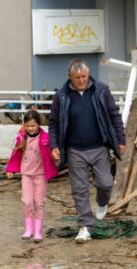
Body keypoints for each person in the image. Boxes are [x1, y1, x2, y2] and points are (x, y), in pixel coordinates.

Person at [49, 60, 126, 243]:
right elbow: (53, 123)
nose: (81, 80)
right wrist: (54, 145)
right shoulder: (62, 96)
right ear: (70, 78)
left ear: (88, 74)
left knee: (105, 183)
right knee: (79, 190)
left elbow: (114, 115)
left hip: (99, 147)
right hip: (75, 149)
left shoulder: (101, 90)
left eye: (84, 76)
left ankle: (101, 202)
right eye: (77, 78)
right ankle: (85, 227)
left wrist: (121, 139)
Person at [5, 109, 59, 243]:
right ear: (24, 125)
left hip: (40, 175)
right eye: (28, 126)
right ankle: (28, 230)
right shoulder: (20, 138)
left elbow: (54, 153)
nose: (30, 128)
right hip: (26, 175)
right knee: (27, 202)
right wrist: (10, 168)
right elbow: (15, 154)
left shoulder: (46, 138)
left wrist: (56, 158)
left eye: (33, 125)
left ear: (39, 124)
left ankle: (38, 233)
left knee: (39, 203)